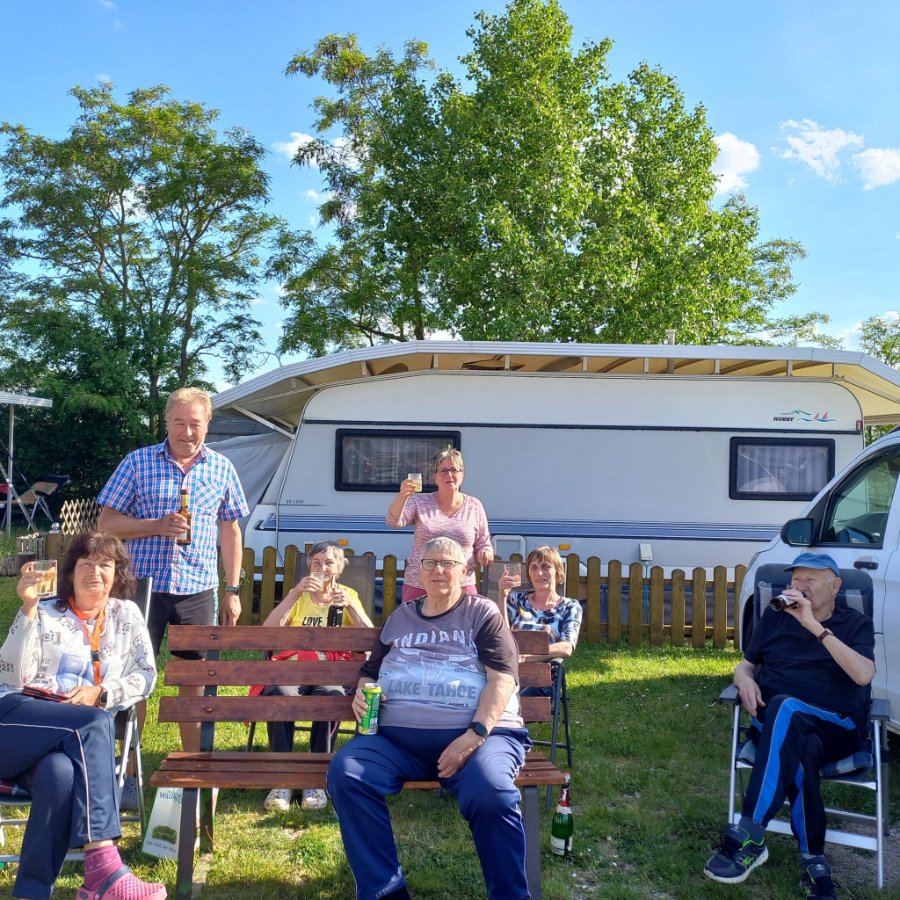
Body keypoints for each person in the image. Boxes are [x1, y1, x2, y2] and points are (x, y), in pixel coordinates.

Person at [327, 537, 531, 900]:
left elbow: (502, 680)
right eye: (430, 563)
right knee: (348, 774)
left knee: (492, 794)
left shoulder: (483, 614)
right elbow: (370, 672)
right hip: (396, 744)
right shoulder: (400, 617)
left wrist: (474, 736)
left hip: (479, 738)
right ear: (418, 571)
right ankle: (385, 893)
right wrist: (363, 691)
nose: (438, 570)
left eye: (448, 563)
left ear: (465, 571)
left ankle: (510, 895)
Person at [0, 532, 165, 900]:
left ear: (117, 573)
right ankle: (104, 868)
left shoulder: (126, 615)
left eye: (104, 564)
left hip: (64, 744)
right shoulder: (44, 611)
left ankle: (31, 893)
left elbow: (146, 675)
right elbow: (12, 676)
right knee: (94, 721)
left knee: (59, 773)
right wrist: (27, 609)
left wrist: (103, 692)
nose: (94, 572)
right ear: (70, 572)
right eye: (85, 564)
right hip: (13, 723)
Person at [703, 552, 875, 900]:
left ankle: (751, 830)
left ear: (835, 586)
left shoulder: (855, 624)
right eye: (796, 579)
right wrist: (744, 681)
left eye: (810, 579)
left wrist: (813, 625)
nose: (800, 585)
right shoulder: (774, 616)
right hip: (780, 729)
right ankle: (813, 861)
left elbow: (863, 674)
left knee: (786, 707)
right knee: (799, 744)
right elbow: (747, 664)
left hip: (835, 727)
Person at [97, 386, 249, 756]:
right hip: (140, 586)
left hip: (198, 589)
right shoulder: (137, 462)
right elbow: (107, 523)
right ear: (166, 421)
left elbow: (230, 530)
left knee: (194, 677)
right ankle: (127, 765)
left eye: (195, 423)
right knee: (131, 675)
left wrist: (232, 590)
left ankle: (193, 765)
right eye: (179, 423)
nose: (187, 432)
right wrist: (156, 525)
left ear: (208, 423)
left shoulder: (222, 468)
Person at [258, 540, 373, 813]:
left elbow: (370, 640)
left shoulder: (348, 595)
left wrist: (352, 608)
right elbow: (267, 631)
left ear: (340, 568)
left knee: (330, 696)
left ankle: (317, 779)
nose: (322, 568)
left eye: (329, 563)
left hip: (330, 672)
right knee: (279, 693)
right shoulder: (298, 595)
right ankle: (282, 780)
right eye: (317, 563)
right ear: (309, 566)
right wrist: (294, 594)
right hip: (295, 669)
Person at [386, 448, 494, 603]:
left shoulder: (474, 505)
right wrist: (402, 496)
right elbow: (393, 521)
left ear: (462, 476)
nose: (449, 475)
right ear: (435, 477)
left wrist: (485, 552)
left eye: (454, 470)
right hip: (420, 584)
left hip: (461, 585)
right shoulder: (419, 502)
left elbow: (484, 542)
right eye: (443, 470)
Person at [498, 545, 582, 699]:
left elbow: (566, 647)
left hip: (542, 678)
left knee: (504, 696)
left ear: (558, 571)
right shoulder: (516, 600)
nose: (539, 573)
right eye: (533, 568)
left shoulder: (570, 606)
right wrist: (502, 596)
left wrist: (526, 657)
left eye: (545, 567)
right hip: (509, 672)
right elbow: (501, 636)